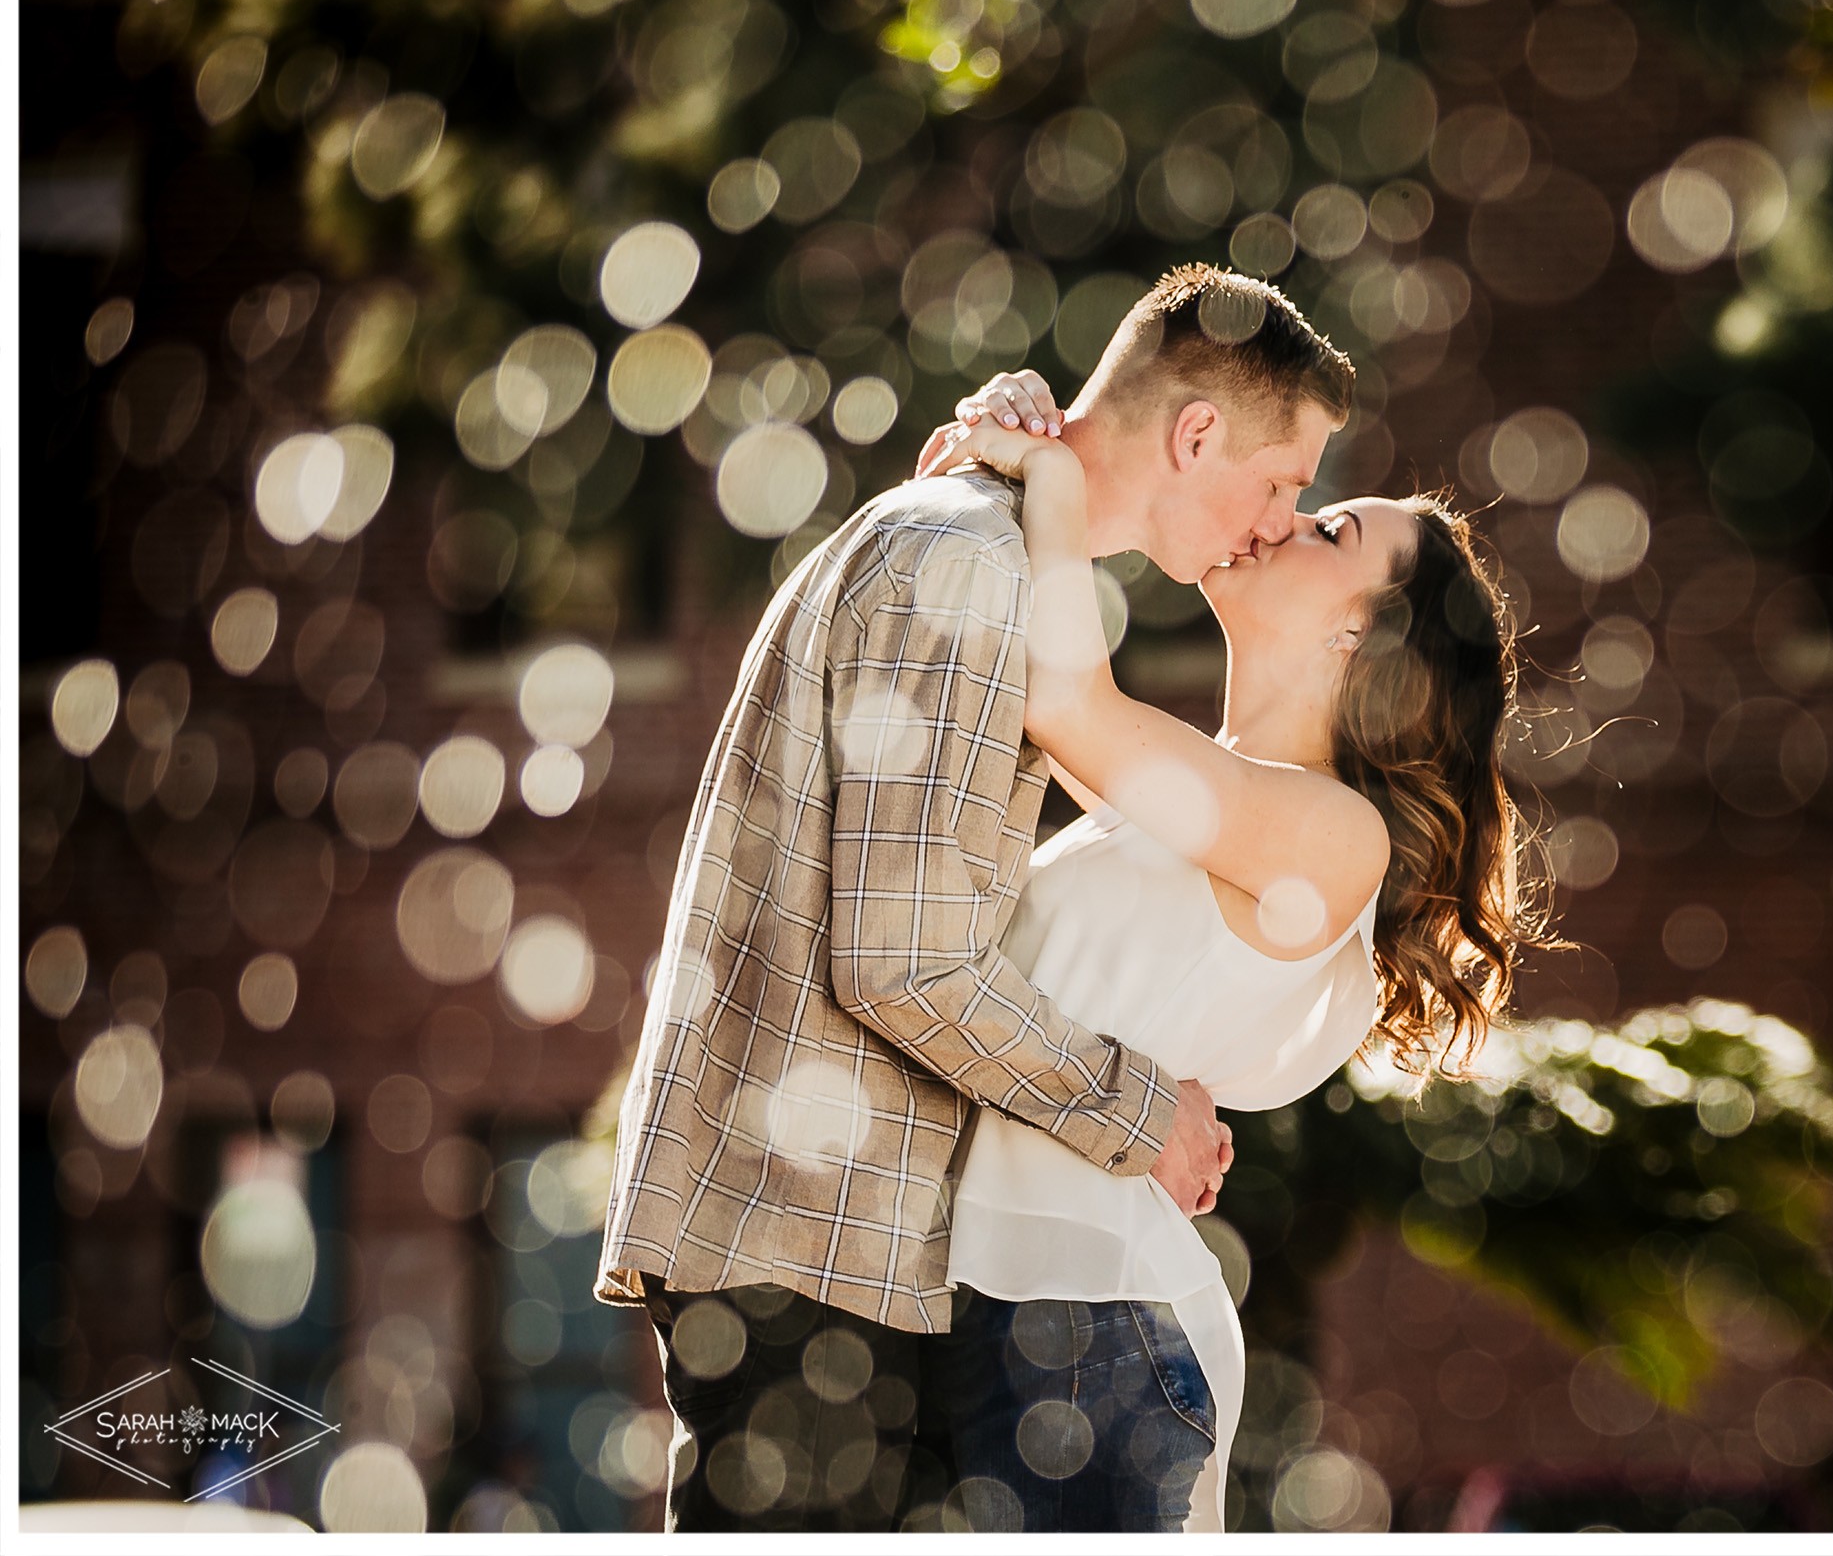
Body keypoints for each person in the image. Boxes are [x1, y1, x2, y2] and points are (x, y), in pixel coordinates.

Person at [594, 265, 1353, 1530]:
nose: (1275, 521)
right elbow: (905, 962)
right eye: (1280, 482)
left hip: (820, 1245)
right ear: (1197, 431)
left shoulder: (974, 544)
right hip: (808, 1250)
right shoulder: (966, 564)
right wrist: (1138, 1112)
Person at [910, 350, 1543, 1531]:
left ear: (1363, 635)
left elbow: (1064, 702)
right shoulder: (1206, 796)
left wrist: (1049, 481)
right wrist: (989, 481)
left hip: (1086, 1344)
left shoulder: (1328, 836)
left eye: (1331, 527)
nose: (1287, 517)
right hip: (994, 1315)